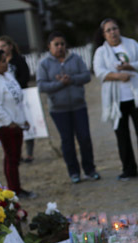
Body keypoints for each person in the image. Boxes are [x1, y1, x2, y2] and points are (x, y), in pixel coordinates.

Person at [93, 18, 138, 181]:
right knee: (121, 135)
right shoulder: (101, 52)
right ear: (104, 34)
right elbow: (99, 72)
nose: (112, 32)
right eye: (108, 30)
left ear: (119, 29)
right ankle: (129, 169)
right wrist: (117, 75)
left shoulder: (131, 44)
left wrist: (130, 67)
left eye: (114, 28)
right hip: (117, 100)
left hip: (137, 96)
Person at [37, 31, 100, 184]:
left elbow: (86, 76)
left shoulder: (76, 59)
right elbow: (41, 85)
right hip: (59, 109)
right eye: (56, 44)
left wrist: (71, 79)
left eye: (62, 44)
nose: (60, 47)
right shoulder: (44, 64)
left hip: (78, 106)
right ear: (49, 46)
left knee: (84, 138)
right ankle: (74, 172)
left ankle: (90, 169)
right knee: (67, 141)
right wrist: (59, 84)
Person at [0, 49, 35, 199]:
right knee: (11, 157)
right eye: (3, 61)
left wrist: (22, 119)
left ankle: (15, 188)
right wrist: (9, 122)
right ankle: (14, 190)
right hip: (5, 126)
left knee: (14, 157)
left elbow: (16, 100)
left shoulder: (7, 75)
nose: (6, 63)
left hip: (16, 123)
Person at [0, 35, 34, 163]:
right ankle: (16, 154)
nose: (1, 49)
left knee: (25, 121)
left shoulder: (18, 60)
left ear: (10, 46)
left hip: (21, 95)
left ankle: (29, 153)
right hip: (7, 99)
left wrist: (14, 87)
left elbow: (25, 76)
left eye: (4, 46)